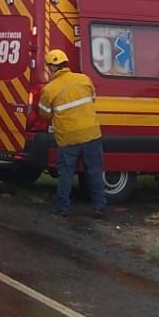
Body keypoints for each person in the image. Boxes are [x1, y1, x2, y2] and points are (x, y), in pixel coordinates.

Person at [37, 48, 107, 218]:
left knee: (66, 173)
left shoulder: (50, 90)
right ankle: (99, 207)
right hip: (91, 134)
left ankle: (63, 208)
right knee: (94, 171)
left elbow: (44, 113)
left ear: (52, 68)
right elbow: (93, 98)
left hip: (68, 138)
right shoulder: (84, 80)